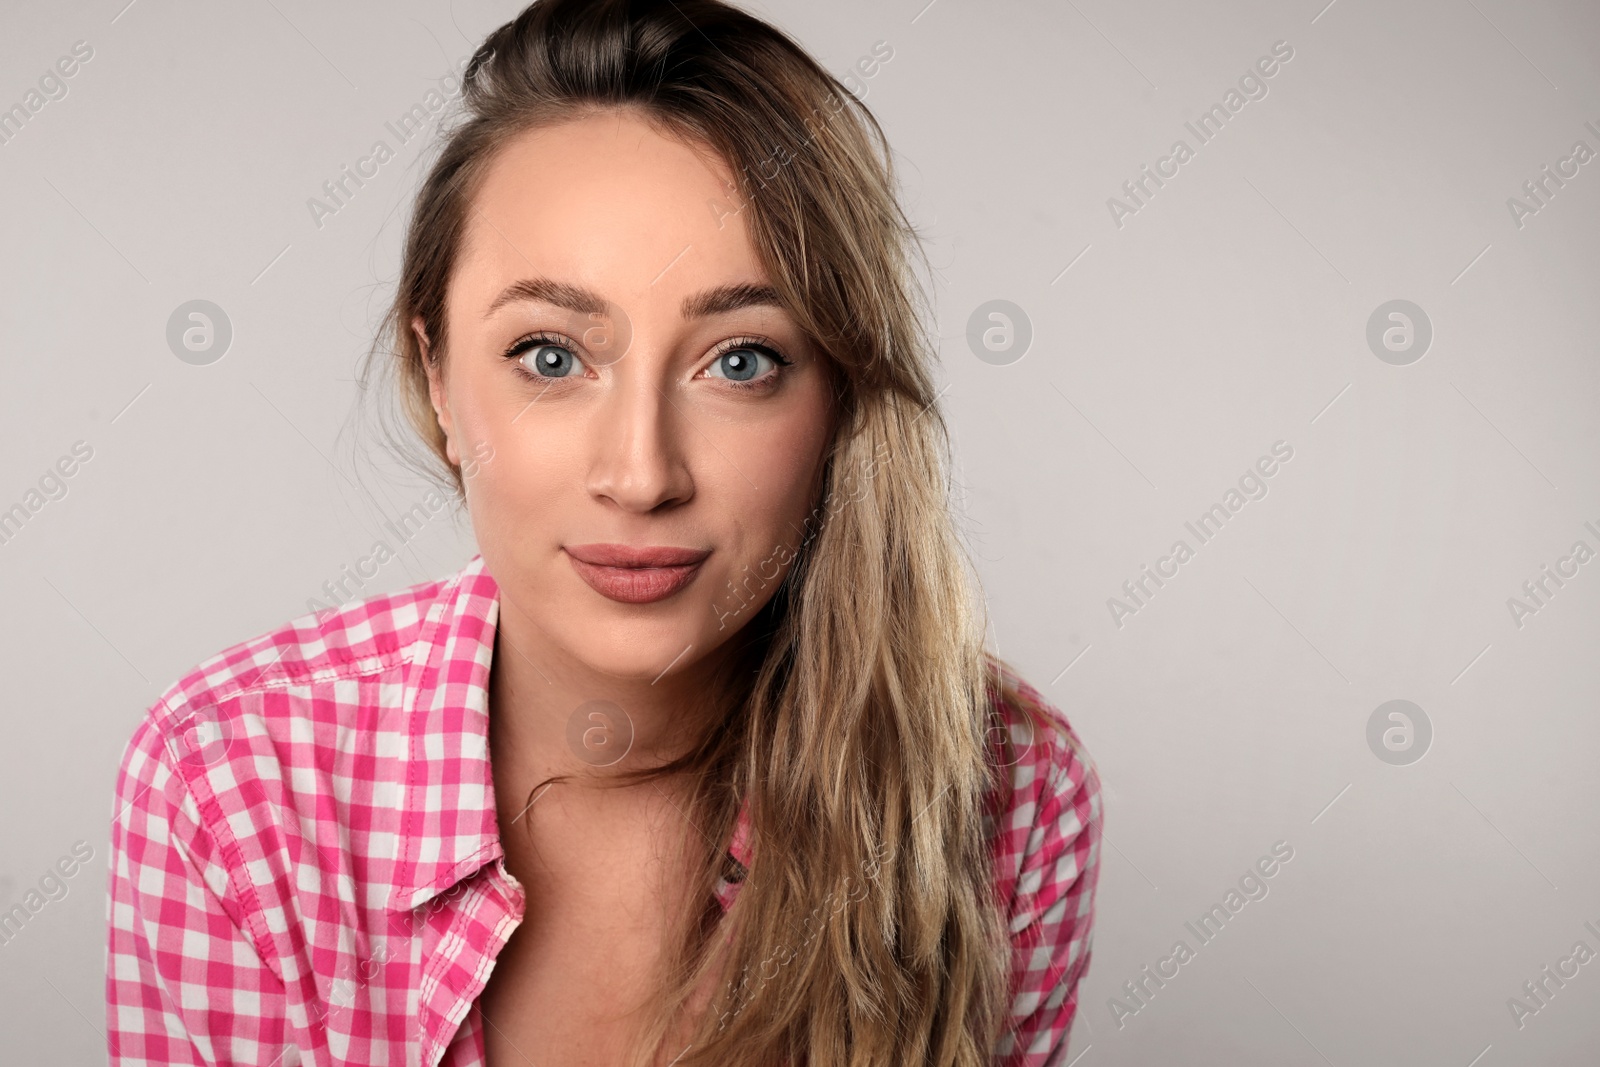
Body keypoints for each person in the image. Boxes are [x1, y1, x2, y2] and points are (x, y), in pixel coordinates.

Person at [103, 1, 1101, 1064]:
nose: (640, 474)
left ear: (842, 399)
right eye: (548, 354)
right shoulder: (234, 780)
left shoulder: (1004, 795)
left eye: (741, 360)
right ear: (437, 374)